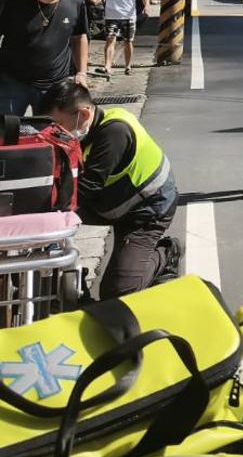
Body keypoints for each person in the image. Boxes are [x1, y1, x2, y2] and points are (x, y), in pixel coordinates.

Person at [40, 81, 180, 299]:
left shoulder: (115, 131)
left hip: (147, 212)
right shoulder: (83, 131)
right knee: (52, 214)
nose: (54, 131)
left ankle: (166, 253)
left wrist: (45, 213)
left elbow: (86, 187)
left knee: (117, 293)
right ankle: (69, 274)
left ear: (84, 114)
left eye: (58, 124)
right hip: (113, 203)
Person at [0, 0, 90, 116]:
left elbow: (79, 37)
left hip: (54, 84)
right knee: (7, 128)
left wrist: (82, 72)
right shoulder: (15, 3)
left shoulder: (76, 3)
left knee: (49, 129)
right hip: (13, 82)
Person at [98, 0, 147, 78]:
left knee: (128, 41)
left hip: (128, 17)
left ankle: (128, 66)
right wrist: (99, 1)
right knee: (110, 40)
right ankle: (107, 66)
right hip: (111, 16)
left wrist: (146, 7)